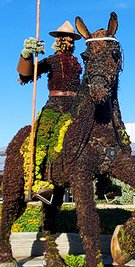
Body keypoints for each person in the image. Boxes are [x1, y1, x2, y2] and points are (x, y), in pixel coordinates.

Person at [17, 20, 83, 198]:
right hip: (54, 106)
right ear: (59, 40)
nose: (68, 41)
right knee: (39, 137)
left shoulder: (77, 63)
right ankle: (35, 182)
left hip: (75, 107)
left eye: (71, 38)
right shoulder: (51, 60)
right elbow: (26, 74)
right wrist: (27, 55)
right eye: (64, 38)